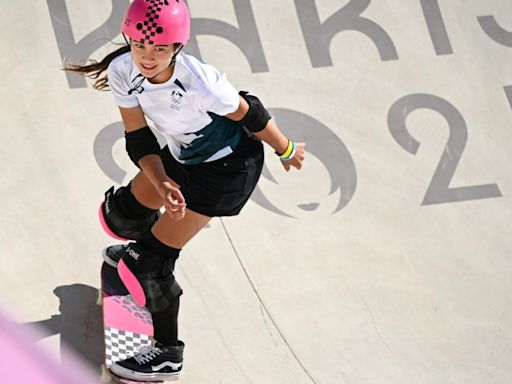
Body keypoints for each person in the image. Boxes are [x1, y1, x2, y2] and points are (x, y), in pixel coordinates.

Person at [65, 0, 304, 381]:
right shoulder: (123, 70)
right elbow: (138, 137)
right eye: (140, 46)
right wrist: (161, 182)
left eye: (159, 49)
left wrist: (286, 148)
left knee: (151, 265)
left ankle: (166, 354)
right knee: (119, 216)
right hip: (181, 153)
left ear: (177, 47)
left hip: (227, 171)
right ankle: (137, 250)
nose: (147, 57)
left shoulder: (202, 82)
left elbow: (252, 114)